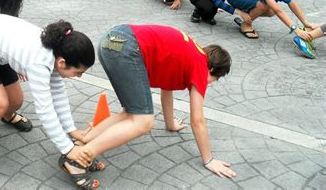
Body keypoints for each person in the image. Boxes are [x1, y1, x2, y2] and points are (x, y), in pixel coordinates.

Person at [68, 24, 236, 181]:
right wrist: (209, 160)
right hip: (127, 47)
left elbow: (166, 91)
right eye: (214, 79)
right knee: (144, 121)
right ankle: (80, 158)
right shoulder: (200, 63)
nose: (209, 83)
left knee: (131, 112)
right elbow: (197, 120)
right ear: (213, 70)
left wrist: (170, 125)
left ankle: (83, 141)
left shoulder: (191, 53)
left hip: (112, 40)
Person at [0, 16, 98, 185]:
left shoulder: (57, 52)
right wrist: (68, 149)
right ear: (62, 62)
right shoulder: (39, 61)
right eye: (78, 72)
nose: (78, 76)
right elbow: (45, 109)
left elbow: (57, 93)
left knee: (16, 101)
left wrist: (71, 130)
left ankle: (7, 116)